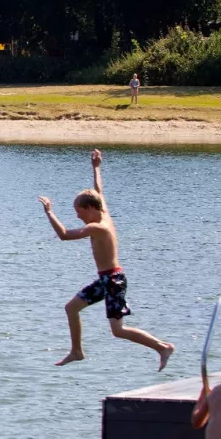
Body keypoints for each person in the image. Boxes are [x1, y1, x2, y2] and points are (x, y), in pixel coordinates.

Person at [38, 149, 175, 370]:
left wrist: (49, 213)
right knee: (71, 308)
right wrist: (96, 167)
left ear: (90, 208)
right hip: (106, 280)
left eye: (79, 211)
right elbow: (99, 190)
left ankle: (162, 347)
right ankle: (77, 351)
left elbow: (64, 235)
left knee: (118, 330)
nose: (78, 216)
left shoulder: (98, 227)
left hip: (113, 281)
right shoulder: (104, 213)